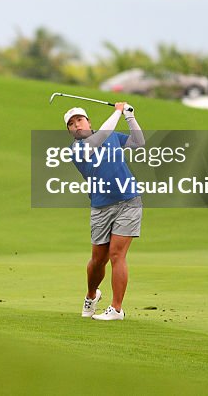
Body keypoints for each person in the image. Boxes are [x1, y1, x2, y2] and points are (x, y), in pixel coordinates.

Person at [65, 102, 144, 321]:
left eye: (79, 120)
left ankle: (116, 309)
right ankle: (92, 294)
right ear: (70, 132)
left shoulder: (110, 135)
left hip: (129, 201)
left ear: (88, 122)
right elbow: (98, 139)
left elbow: (139, 143)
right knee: (97, 261)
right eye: (71, 124)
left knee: (117, 255)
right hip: (100, 207)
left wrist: (130, 117)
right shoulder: (77, 149)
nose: (76, 125)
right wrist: (118, 111)